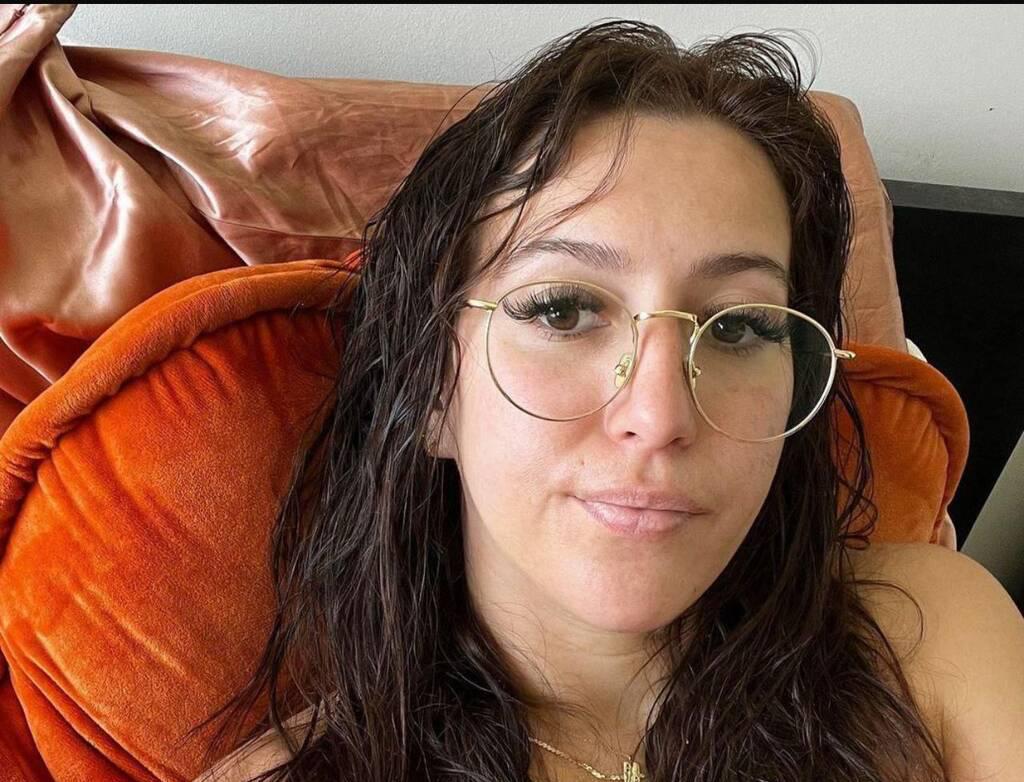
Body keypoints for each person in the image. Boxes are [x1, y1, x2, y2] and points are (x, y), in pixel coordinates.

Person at [192, 19, 1024, 782]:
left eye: (739, 326)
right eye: (562, 310)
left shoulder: (932, 643)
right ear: (431, 387)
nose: (658, 417)